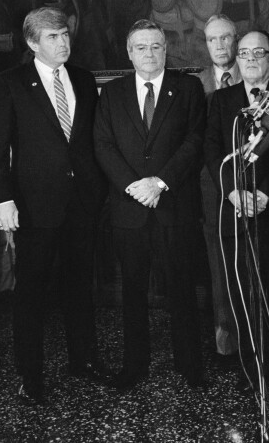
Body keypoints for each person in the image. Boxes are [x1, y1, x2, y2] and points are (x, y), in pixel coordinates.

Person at [0, 7, 109, 405]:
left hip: (82, 202)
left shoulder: (85, 79)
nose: (63, 43)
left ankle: (83, 360)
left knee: (80, 285)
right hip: (34, 206)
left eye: (65, 35)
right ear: (32, 42)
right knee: (32, 292)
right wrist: (2, 199)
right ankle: (30, 374)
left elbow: (91, 142)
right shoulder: (9, 83)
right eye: (53, 37)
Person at [93, 20, 206, 390]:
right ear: (129, 52)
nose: (149, 54)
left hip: (174, 207)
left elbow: (194, 141)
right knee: (133, 291)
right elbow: (103, 146)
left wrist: (159, 182)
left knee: (181, 288)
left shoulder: (188, 88)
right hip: (129, 209)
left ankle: (189, 364)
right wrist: (134, 186)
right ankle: (134, 365)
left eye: (156, 46)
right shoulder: (111, 94)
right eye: (141, 47)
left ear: (166, 49)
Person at [204, 30, 269, 393]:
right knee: (242, 292)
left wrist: (266, 192)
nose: (248, 59)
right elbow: (212, 152)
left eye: (257, 52)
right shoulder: (221, 100)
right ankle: (252, 367)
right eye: (243, 52)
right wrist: (232, 191)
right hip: (233, 208)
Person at [196, 14, 242, 364]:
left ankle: (260, 340)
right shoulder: (195, 86)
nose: (220, 45)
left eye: (226, 38)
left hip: (255, 184)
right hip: (212, 190)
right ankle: (226, 341)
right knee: (218, 265)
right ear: (206, 44)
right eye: (213, 40)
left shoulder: (260, 78)